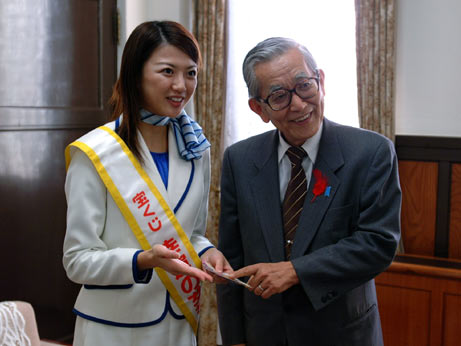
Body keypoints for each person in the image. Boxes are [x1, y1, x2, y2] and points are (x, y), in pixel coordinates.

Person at [216, 37, 401, 346]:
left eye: (304, 85)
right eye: (279, 96)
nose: (299, 104)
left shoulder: (371, 152)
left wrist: (295, 271)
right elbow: (232, 258)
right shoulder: (240, 159)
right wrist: (234, 338)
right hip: (264, 333)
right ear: (258, 108)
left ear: (321, 81)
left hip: (342, 333)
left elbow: (377, 244)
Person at [63, 21, 230, 346]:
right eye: (167, 71)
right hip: (112, 329)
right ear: (135, 74)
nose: (181, 85)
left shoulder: (195, 149)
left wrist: (208, 251)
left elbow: (191, 233)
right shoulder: (95, 153)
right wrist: (142, 260)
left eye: (191, 72)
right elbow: (77, 260)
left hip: (178, 325)